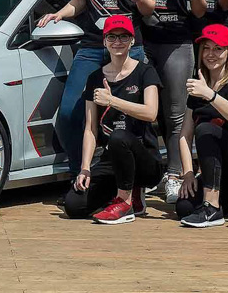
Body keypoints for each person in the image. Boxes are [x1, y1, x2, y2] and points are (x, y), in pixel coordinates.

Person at [37, 0, 154, 176]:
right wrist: (59, 15)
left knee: (132, 118)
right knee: (69, 114)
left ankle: (134, 177)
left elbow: (149, 8)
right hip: (91, 46)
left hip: (129, 48)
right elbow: (78, 1)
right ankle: (81, 173)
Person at [62, 16, 162, 224]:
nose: (118, 42)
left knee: (119, 137)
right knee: (74, 205)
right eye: (112, 37)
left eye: (124, 37)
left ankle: (125, 203)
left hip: (144, 158)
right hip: (112, 159)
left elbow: (151, 113)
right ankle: (121, 191)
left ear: (132, 41)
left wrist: (112, 101)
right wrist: (85, 167)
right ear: (104, 41)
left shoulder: (145, 71)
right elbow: (90, 128)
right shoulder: (95, 78)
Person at [138, 0, 206, 203]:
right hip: (145, 42)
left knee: (176, 113)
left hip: (178, 42)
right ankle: (150, 173)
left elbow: (201, 12)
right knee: (146, 114)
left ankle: (176, 174)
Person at [177, 24, 228, 228]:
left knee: (205, 129)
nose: (210, 54)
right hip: (217, 170)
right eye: (206, 48)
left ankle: (212, 207)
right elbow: (184, 135)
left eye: (218, 48)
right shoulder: (197, 89)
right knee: (184, 207)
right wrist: (188, 173)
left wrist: (210, 94)